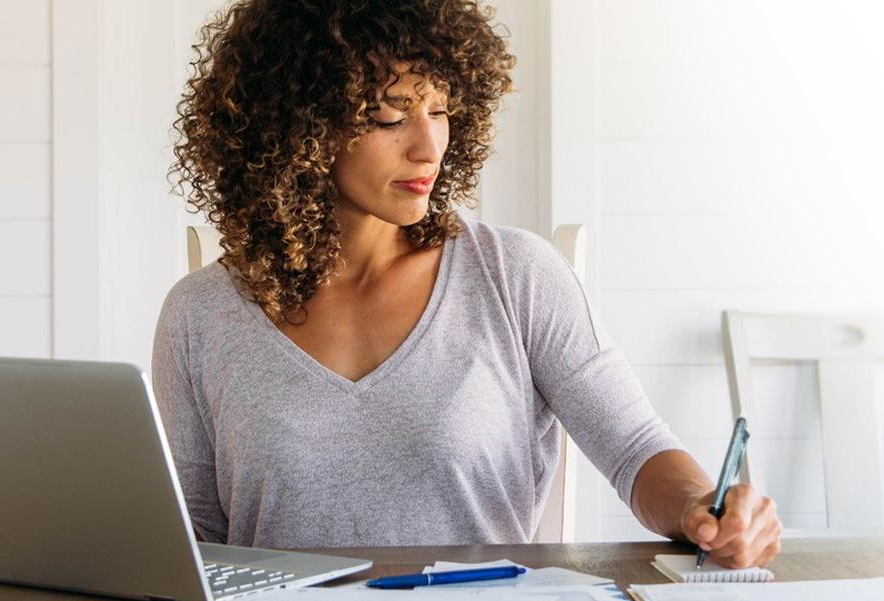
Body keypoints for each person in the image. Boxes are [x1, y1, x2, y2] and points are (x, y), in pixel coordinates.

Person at [155, 0, 781, 570]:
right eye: (387, 116)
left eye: (441, 110)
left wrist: (706, 509)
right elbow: (191, 536)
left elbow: (636, 449)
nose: (429, 147)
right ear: (296, 127)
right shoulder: (202, 313)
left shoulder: (514, 275)